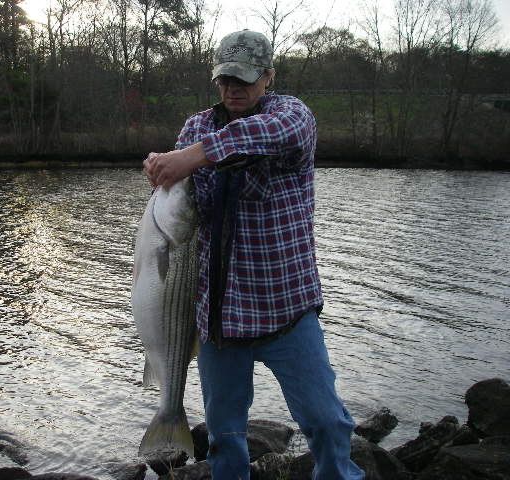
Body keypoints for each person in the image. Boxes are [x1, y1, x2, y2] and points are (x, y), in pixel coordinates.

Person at [143, 30, 364, 480]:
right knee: (225, 436)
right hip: (217, 318)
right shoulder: (197, 126)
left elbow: (266, 134)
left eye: (244, 79)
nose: (233, 89)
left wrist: (192, 156)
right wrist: (165, 169)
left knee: (326, 421)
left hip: (286, 311)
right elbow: (184, 200)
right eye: (225, 79)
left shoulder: (292, 115)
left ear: (267, 77)